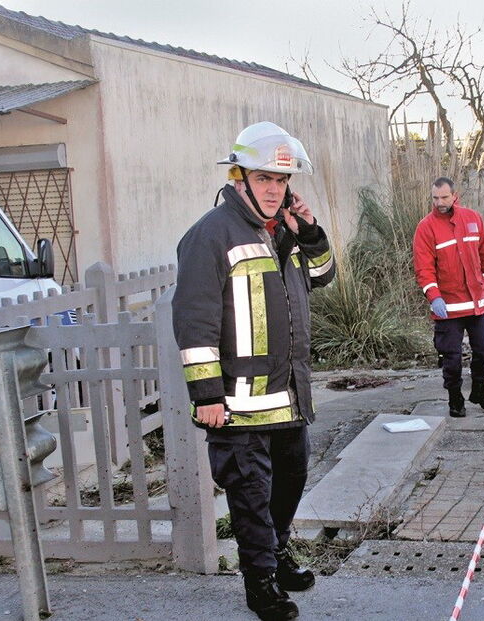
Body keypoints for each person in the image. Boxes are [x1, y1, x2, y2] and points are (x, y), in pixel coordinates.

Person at [172, 121, 335, 621]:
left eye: (282, 180)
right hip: (239, 404)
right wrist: (207, 396)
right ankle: (259, 580)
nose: (274, 189)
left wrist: (307, 232)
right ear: (239, 177)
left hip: (287, 396)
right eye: (264, 178)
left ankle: (278, 554)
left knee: (289, 482)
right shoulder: (210, 235)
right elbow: (194, 320)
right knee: (251, 495)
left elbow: (323, 274)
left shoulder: (279, 229)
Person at [413, 177, 484, 417]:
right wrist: (434, 297)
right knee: (451, 357)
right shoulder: (426, 227)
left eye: (444, 197)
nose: (439, 202)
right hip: (448, 307)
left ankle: (480, 391)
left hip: (477, 303)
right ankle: (455, 398)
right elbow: (424, 268)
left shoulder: (473, 218)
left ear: (454, 195)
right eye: (435, 198)